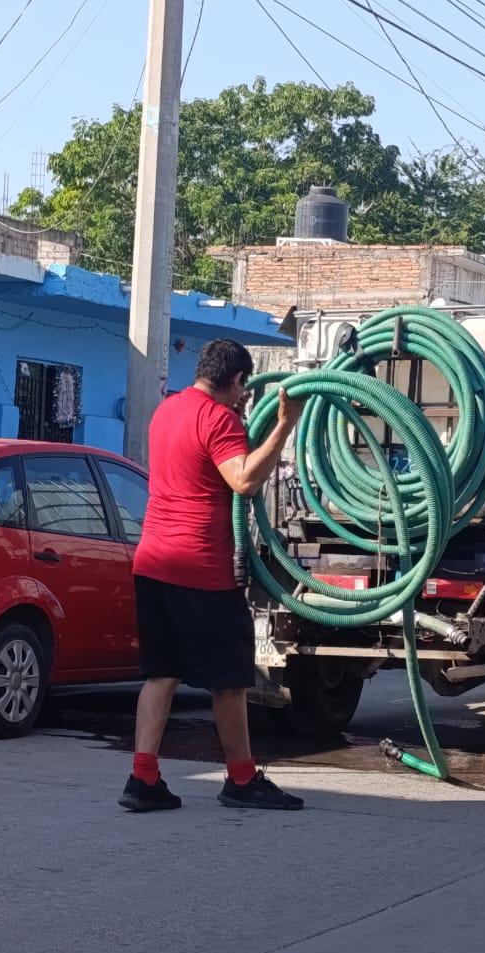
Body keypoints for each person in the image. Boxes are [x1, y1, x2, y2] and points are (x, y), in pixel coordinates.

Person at [120, 339, 305, 813]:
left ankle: (143, 779)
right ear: (238, 380)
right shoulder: (220, 419)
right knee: (229, 680)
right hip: (199, 569)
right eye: (245, 390)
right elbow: (242, 479)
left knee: (162, 673)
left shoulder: (167, 410)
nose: (246, 400)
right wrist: (283, 425)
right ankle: (242, 780)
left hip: (153, 561)